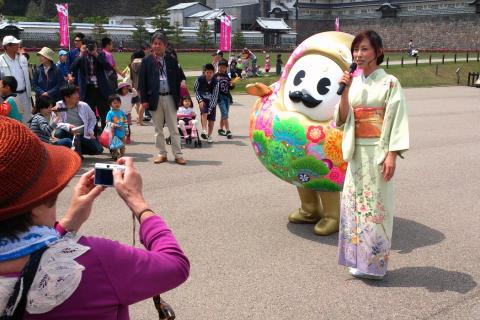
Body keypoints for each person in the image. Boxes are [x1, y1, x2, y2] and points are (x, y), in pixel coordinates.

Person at [0, 116, 190, 318]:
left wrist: (67, 224)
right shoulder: (89, 261)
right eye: (53, 192)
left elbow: (30, 254)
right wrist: (138, 203)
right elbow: (175, 265)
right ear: (36, 205)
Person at [335, 30, 409, 280]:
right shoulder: (352, 82)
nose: (358, 54)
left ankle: (375, 264)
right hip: (356, 153)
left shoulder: (390, 83)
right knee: (354, 204)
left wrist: (392, 154)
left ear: (378, 52)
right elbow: (343, 118)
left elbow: (397, 119)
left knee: (375, 206)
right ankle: (357, 259)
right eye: (356, 49)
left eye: (364, 49)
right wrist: (344, 91)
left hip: (377, 151)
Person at [138, 33, 186, 165]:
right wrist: (144, 100)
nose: (157, 46)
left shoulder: (171, 60)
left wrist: (180, 96)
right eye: (154, 43)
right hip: (155, 98)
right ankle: (162, 153)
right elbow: (142, 82)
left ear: (165, 45)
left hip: (170, 96)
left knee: (174, 128)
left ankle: (178, 154)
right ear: (152, 45)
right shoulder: (146, 61)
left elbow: (179, 78)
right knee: (158, 129)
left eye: (160, 43)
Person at [70, 38, 116, 130]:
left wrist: (95, 54)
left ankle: (105, 133)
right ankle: (92, 133)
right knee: (90, 114)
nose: (90, 48)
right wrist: (81, 54)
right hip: (88, 89)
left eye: (93, 46)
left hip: (100, 89)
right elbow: (73, 67)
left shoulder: (100, 54)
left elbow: (107, 67)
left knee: (104, 113)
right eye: (89, 46)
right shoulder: (81, 56)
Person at [53, 84, 104, 156]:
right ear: (67, 97)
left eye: (77, 93)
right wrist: (68, 127)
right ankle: (67, 150)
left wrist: (90, 130)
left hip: (83, 134)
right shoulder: (59, 106)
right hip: (68, 134)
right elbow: (56, 123)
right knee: (58, 133)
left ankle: (77, 149)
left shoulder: (83, 105)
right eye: (75, 94)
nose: (78, 96)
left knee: (98, 149)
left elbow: (92, 119)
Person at [0, 35, 32, 123]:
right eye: (15, 44)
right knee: (12, 120)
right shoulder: (1, 60)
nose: (18, 45)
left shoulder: (23, 58)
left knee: (26, 118)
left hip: (24, 94)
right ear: (7, 46)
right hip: (9, 96)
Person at [194, 63, 219, 144]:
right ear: (204, 72)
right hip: (203, 101)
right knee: (204, 113)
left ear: (213, 73)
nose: (208, 74)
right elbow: (196, 90)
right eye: (207, 72)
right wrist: (200, 100)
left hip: (212, 102)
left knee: (211, 121)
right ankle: (204, 130)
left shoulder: (216, 82)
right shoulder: (199, 79)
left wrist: (210, 108)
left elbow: (215, 96)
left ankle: (209, 135)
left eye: (210, 73)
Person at [215, 59, 234, 139]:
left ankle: (220, 129)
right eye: (221, 67)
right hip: (220, 98)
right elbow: (212, 86)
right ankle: (228, 131)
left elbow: (230, 87)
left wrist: (232, 84)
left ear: (226, 68)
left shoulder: (227, 76)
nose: (222, 68)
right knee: (225, 113)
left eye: (224, 67)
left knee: (224, 114)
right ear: (218, 67)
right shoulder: (215, 76)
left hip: (227, 98)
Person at [106, 94, 128, 160]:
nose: (117, 104)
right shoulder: (110, 113)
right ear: (110, 104)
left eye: (118, 103)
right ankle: (115, 156)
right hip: (114, 133)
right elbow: (107, 122)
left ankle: (122, 156)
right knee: (114, 146)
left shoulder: (122, 112)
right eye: (115, 103)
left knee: (122, 145)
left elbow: (125, 121)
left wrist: (126, 130)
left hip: (122, 132)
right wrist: (114, 125)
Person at [129, 49, 146, 125]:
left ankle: (139, 118)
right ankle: (140, 120)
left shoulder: (132, 63)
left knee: (140, 101)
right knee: (143, 103)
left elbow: (131, 76)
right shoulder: (143, 63)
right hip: (144, 84)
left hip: (136, 85)